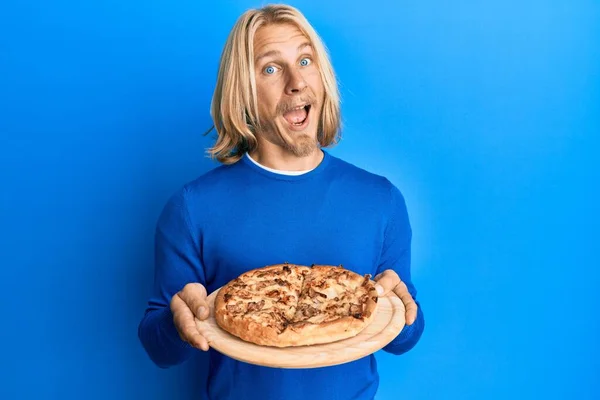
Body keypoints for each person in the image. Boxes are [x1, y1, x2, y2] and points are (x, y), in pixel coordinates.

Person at [138, 4, 425, 400]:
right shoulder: (192, 207)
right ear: (243, 93)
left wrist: (404, 312)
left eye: (305, 60)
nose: (296, 82)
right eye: (271, 68)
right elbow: (158, 348)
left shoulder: (381, 200)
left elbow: (403, 338)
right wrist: (176, 323)